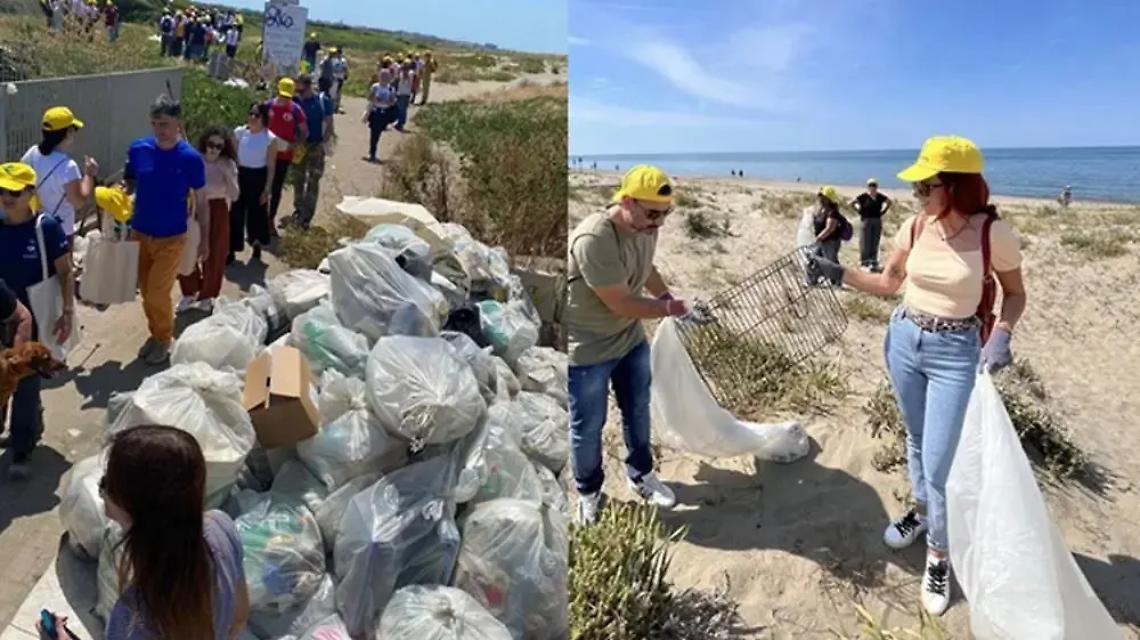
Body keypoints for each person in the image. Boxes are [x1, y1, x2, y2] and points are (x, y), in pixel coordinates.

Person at [808, 135, 1026, 616]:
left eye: (926, 185)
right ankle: (924, 515)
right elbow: (888, 284)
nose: (918, 194)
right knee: (915, 437)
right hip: (905, 337)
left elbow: (1014, 294)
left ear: (954, 186)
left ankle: (939, 556)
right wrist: (837, 273)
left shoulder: (994, 235)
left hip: (955, 351)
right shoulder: (915, 226)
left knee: (939, 463)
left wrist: (1002, 334)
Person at [566, 165, 697, 525]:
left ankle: (641, 474)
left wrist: (667, 296)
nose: (660, 223)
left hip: (630, 339)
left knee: (638, 410)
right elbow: (621, 302)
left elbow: (647, 268)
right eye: (653, 213)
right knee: (587, 426)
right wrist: (670, 308)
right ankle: (588, 492)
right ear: (626, 202)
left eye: (666, 214)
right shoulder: (595, 238)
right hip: (588, 349)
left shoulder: (644, 227)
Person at [39, 425, 251, 640]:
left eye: (107, 484)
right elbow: (239, 616)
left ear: (131, 505)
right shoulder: (221, 527)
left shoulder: (134, 618)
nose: (101, 492)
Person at [0, 162, 73, 480]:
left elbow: (66, 271)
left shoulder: (46, 227)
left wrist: (67, 311)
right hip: (1, 310)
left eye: (14, 192)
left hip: (34, 315)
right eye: (1, 191)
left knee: (26, 382)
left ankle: (22, 445)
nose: (6, 197)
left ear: (30, 193)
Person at [123, 95, 206, 366]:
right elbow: (131, 182)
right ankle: (156, 333)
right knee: (147, 293)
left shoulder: (190, 158)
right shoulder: (139, 149)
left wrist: (203, 238)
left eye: (166, 124)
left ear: (178, 124)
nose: (161, 129)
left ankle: (164, 338)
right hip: (140, 233)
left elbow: (201, 199)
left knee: (158, 293)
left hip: (172, 237)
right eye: (156, 123)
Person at [177, 126, 238, 314]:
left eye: (219, 146)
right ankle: (189, 291)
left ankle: (208, 295)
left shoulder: (228, 164)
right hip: (194, 206)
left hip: (218, 208)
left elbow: (235, 195)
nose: (214, 149)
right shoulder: (195, 160)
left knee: (215, 252)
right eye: (211, 144)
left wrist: (227, 172)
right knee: (187, 249)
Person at [21, 107, 98, 245]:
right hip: (59, 230)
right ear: (68, 133)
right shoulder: (68, 166)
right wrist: (89, 175)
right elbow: (79, 201)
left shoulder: (31, 153)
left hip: (33, 225)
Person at [230, 103, 280, 264]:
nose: (252, 118)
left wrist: (267, 189)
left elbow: (271, 165)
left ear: (264, 118)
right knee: (236, 213)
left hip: (258, 176)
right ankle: (232, 248)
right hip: (240, 175)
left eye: (256, 115)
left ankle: (256, 244)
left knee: (256, 213)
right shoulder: (239, 133)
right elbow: (233, 157)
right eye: (251, 114)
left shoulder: (270, 139)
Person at [286, 74, 334, 230]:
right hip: (299, 146)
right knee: (298, 179)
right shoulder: (295, 101)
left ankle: (307, 215)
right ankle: (299, 209)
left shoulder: (322, 101)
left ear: (306, 85)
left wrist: (323, 143)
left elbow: (329, 123)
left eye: (298, 85)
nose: (296, 88)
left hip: (315, 146)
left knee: (313, 180)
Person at [265, 77, 307, 234]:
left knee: (276, 188)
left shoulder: (296, 109)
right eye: (282, 95)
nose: (284, 99)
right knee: (263, 187)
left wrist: (296, 144)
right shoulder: (268, 105)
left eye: (287, 96)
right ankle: (258, 221)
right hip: (266, 154)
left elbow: (304, 129)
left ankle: (270, 219)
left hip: (284, 155)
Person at [851, 178, 892, 273]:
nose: (872, 187)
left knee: (875, 240)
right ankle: (864, 262)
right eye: (870, 185)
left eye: (874, 185)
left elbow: (889, 202)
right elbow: (852, 203)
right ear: (867, 186)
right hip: (866, 220)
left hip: (877, 220)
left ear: (877, 187)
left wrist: (883, 211)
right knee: (865, 241)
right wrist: (859, 211)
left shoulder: (879, 197)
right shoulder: (864, 197)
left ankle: (873, 261)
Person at [806, 186, 845, 286]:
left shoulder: (833, 213)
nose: (820, 198)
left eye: (822, 196)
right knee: (813, 260)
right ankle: (812, 281)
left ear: (828, 199)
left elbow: (829, 229)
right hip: (821, 241)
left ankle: (836, 282)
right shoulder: (821, 210)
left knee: (830, 262)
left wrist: (818, 238)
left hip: (830, 241)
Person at [364, 69, 397, 164]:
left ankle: (373, 150)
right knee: (374, 133)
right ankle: (372, 152)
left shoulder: (391, 88)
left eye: (386, 76)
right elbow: (369, 97)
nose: (384, 78)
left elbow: (393, 101)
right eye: (382, 76)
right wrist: (375, 98)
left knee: (378, 133)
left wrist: (388, 101)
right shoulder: (375, 87)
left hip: (385, 113)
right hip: (375, 112)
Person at [394, 61, 415, 132]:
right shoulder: (411, 73)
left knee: (400, 109)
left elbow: (397, 80)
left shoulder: (402, 73)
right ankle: (401, 123)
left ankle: (400, 123)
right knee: (404, 109)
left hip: (401, 93)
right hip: (407, 93)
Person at [331, 48, 349, 112]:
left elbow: (345, 68)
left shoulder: (343, 61)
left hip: (340, 77)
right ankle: (333, 105)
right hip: (334, 77)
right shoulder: (334, 60)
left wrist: (346, 75)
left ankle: (336, 106)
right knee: (333, 92)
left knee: (338, 92)